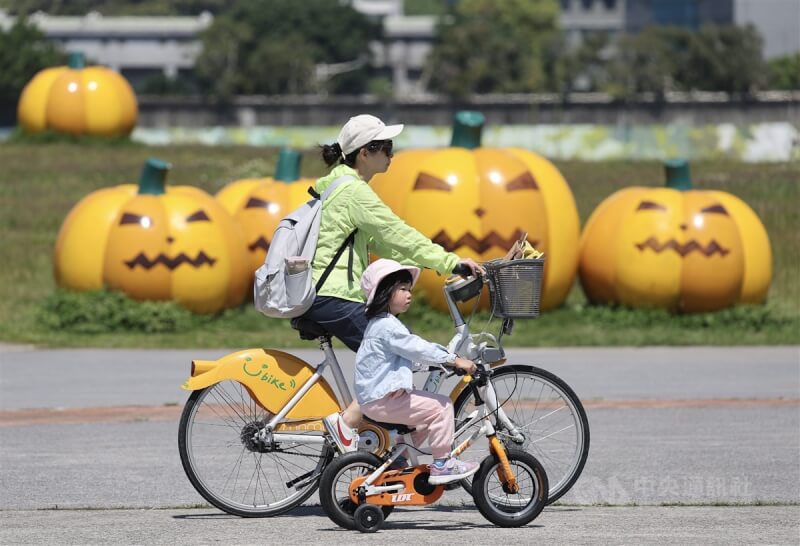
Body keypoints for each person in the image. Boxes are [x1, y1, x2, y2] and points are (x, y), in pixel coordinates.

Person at [303, 114, 483, 453]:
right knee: (393, 354)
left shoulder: (338, 185)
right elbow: (397, 232)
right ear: (364, 153)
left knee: (395, 356)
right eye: (385, 147)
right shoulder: (353, 192)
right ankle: (347, 426)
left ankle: (397, 448)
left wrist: (420, 268)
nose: (391, 154)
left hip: (328, 295)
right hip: (334, 296)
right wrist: (451, 262)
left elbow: (385, 245)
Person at [354, 258, 479, 484]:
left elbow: (403, 359)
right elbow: (417, 347)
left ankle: (398, 461)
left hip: (376, 399)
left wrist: (439, 364)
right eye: (402, 289)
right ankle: (442, 464)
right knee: (442, 407)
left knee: (422, 422)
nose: (409, 294)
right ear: (384, 293)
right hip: (384, 400)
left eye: (409, 289)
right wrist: (453, 359)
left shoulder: (380, 324)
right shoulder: (388, 326)